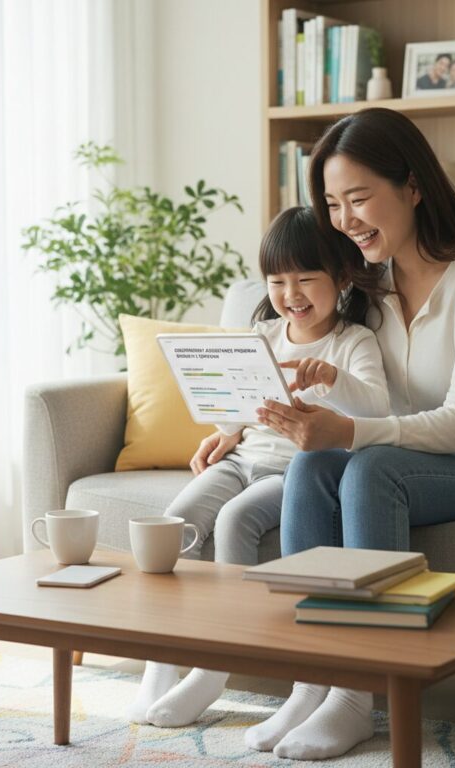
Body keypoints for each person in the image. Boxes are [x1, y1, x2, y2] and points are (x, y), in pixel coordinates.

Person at [251, 107, 455, 761]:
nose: (345, 219)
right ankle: (314, 676)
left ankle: (360, 696)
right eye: (333, 203)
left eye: (359, 198)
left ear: (412, 186)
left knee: (367, 466)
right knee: (313, 466)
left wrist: (350, 429)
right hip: (408, 459)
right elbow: (353, 382)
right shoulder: (369, 283)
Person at [128, 206, 390, 729]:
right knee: (173, 523)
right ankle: (161, 661)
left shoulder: (352, 342)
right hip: (245, 458)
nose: (290, 293)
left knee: (233, 520)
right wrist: (224, 432)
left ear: (340, 278)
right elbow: (242, 406)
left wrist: (334, 379)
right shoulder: (264, 334)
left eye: (305, 279)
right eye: (277, 281)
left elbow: (377, 408)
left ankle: (220, 662)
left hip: (293, 474)